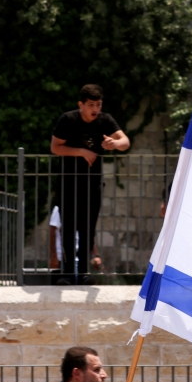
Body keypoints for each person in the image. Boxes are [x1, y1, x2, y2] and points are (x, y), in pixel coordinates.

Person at [50, 84, 129, 285]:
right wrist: (82, 152)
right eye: (91, 105)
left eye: (98, 104)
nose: (95, 109)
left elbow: (125, 142)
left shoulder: (105, 120)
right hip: (68, 182)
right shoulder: (68, 120)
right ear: (81, 104)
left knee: (87, 228)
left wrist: (115, 144)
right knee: (67, 227)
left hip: (92, 184)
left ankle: (83, 273)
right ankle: (66, 274)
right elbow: (55, 147)